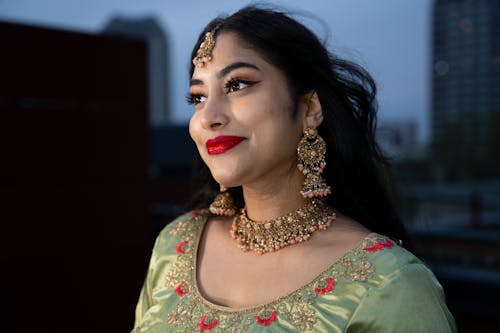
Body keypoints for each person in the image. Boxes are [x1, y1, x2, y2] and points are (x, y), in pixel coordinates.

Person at [132, 6, 456, 333]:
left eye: (237, 84)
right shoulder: (177, 245)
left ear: (310, 108)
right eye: (198, 97)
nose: (208, 117)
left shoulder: (389, 284)